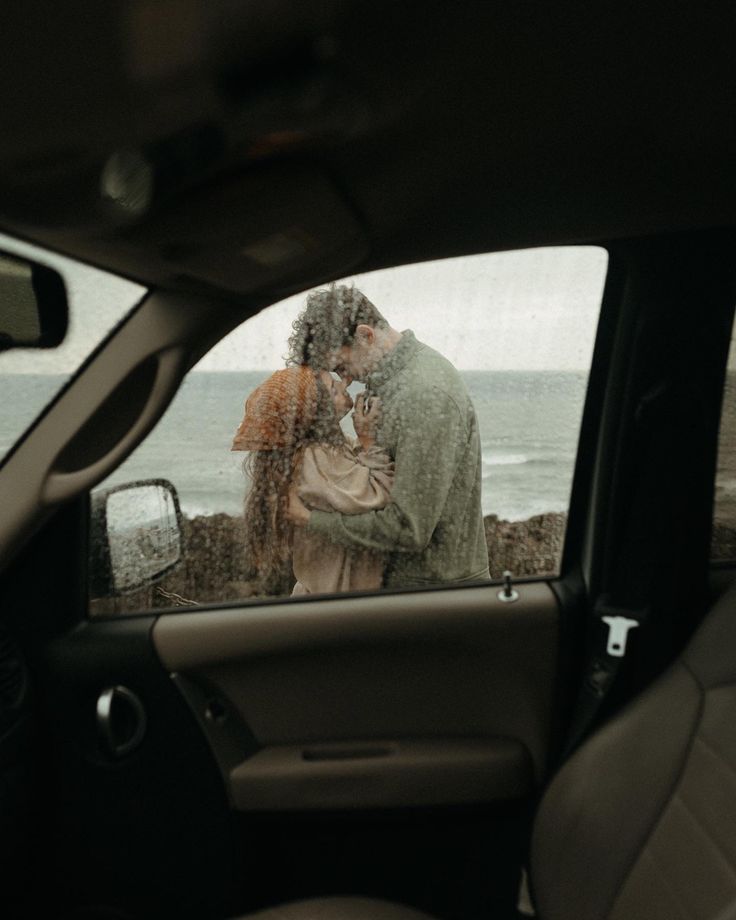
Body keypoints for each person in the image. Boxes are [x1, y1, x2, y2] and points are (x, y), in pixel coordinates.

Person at [286, 284, 490, 588]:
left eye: (342, 366)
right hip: (408, 590)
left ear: (366, 336)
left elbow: (409, 528)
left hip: (433, 596)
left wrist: (311, 520)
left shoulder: (423, 395)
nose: (347, 379)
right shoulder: (388, 380)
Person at [231, 365, 394, 595]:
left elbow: (354, 466)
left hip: (325, 592)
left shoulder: (325, 449)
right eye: (332, 387)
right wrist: (369, 441)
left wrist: (363, 437)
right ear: (314, 411)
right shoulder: (316, 457)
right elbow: (382, 493)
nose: (343, 383)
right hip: (339, 598)